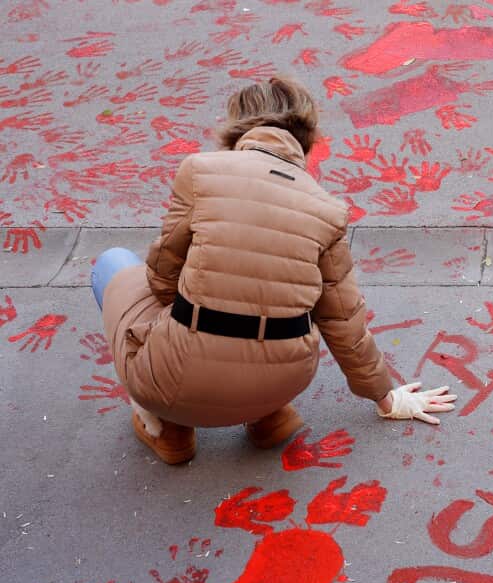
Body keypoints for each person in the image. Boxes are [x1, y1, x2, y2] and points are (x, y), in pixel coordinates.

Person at [92, 77, 455, 465]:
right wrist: (387, 398)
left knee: (113, 265)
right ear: (306, 139)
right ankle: (267, 417)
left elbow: (162, 278)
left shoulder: (199, 171)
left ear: (236, 129)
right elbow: (344, 322)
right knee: (273, 303)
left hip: (177, 380)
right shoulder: (326, 208)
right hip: (282, 382)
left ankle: (168, 428)